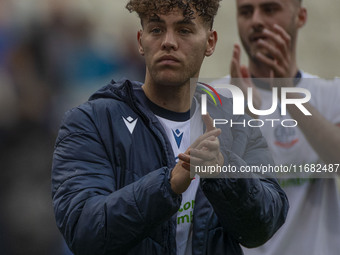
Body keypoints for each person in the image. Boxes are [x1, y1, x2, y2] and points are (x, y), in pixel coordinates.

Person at [51, 1, 289, 254]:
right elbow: (82, 231)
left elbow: (264, 225)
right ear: (141, 41)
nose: (168, 42)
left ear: (210, 42)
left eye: (184, 30)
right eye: (156, 30)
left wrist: (223, 172)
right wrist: (168, 184)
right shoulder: (91, 122)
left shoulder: (236, 122)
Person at [213, 0, 340, 254]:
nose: (256, 20)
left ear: (301, 17)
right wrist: (244, 118)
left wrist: (288, 94)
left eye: (270, 9)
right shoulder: (215, 96)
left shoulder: (329, 93)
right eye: (246, 12)